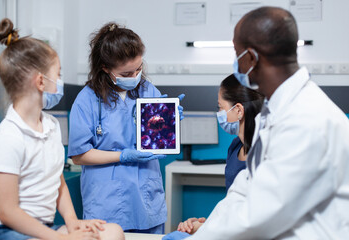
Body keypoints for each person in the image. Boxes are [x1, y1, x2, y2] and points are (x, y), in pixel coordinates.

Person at [163, 6, 349, 240]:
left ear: (250, 58)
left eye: (236, 53)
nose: (235, 62)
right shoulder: (273, 113)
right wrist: (207, 229)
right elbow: (243, 190)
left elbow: (259, 217)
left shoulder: (307, 119)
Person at [0, 18, 124, 240]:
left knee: (113, 232)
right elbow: (8, 212)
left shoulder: (50, 126)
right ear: (41, 82)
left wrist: (72, 223)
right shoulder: (8, 138)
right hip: (5, 230)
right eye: (58, 74)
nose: (60, 81)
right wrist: (60, 238)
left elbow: (56, 178)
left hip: (41, 227)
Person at [68, 22, 183, 234]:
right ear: (105, 68)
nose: (135, 77)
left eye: (139, 69)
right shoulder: (87, 100)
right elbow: (79, 155)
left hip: (147, 201)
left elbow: (159, 141)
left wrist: (170, 122)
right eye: (127, 73)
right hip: (106, 205)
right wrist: (123, 156)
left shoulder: (149, 91)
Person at [176, 74, 264, 234]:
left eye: (220, 107)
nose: (219, 113)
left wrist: (206, 229)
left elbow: (254, 220)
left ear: (238, 110)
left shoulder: (263, 156)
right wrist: (206, 223)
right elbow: (232, 207)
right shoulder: (236, 145)